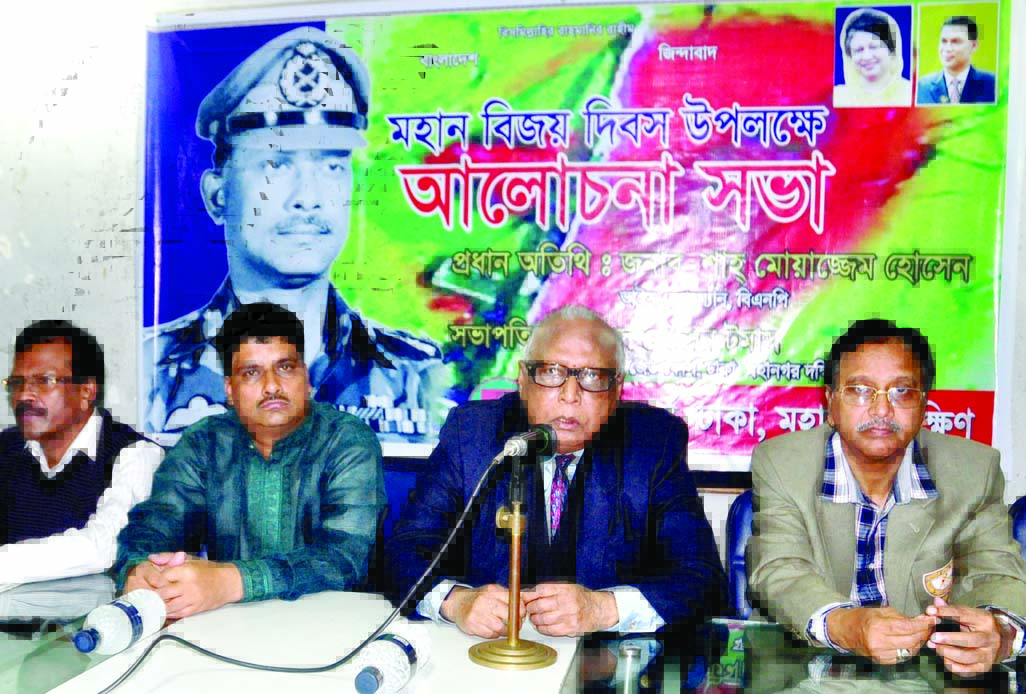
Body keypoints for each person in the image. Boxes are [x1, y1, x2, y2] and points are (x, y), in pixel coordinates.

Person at [143, 25, 445, 441]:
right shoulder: (152, 368)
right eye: (276, 165)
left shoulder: (415, 369)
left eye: (332, 165)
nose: (309, 197)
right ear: (217, 195)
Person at [387, 305, 724, 641]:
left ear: (616, 389)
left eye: (592, 376)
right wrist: (455, 602)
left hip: (602, 666)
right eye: (550, 372)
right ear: (522, 379)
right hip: (480, 655)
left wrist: (602, 609)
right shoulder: (473, 433)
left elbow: (702, 578)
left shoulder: (652, 443)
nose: (570, 395)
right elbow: (401, 552)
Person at [748, 318, 1026, 682]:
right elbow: (779, 569)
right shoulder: (783, 463)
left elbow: (997, 572)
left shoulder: (974, 470)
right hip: (805, 668)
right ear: (830, 403)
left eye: (902, 392)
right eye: (861, 390)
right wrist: (847, 625)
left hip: (932, 677)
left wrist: (1001, 634)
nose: (881, 410)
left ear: (925, 405)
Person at [116, 303, 384, 619]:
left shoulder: (347, 440)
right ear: (230, 389)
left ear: (307, 379)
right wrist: (140, 567)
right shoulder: (205, 442)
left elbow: (344, 558)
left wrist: (230, 581)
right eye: (251, 373)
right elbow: (158, 523)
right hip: (225, 624)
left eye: (285, 367)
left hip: (333, 627)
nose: (272, 386)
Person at [0, 320, 162, 585]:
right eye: (17, 382)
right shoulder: (6, 448)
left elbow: (106, 546)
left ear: (87, 390)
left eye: (44, 381)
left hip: (97, 620)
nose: (24, 396)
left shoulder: (135, 455)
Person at [833, 8, 913, 108]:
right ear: (849, 56)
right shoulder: (839, 97)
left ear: (891, 50)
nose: (866, 57)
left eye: (873, 47)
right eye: (859, 50)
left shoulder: (910, 93)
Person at [917, 16, 996, 105]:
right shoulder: (922, 87)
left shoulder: (992, 83)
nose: (947, 49)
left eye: (955, 41)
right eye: (944, 41)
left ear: (974, 45)